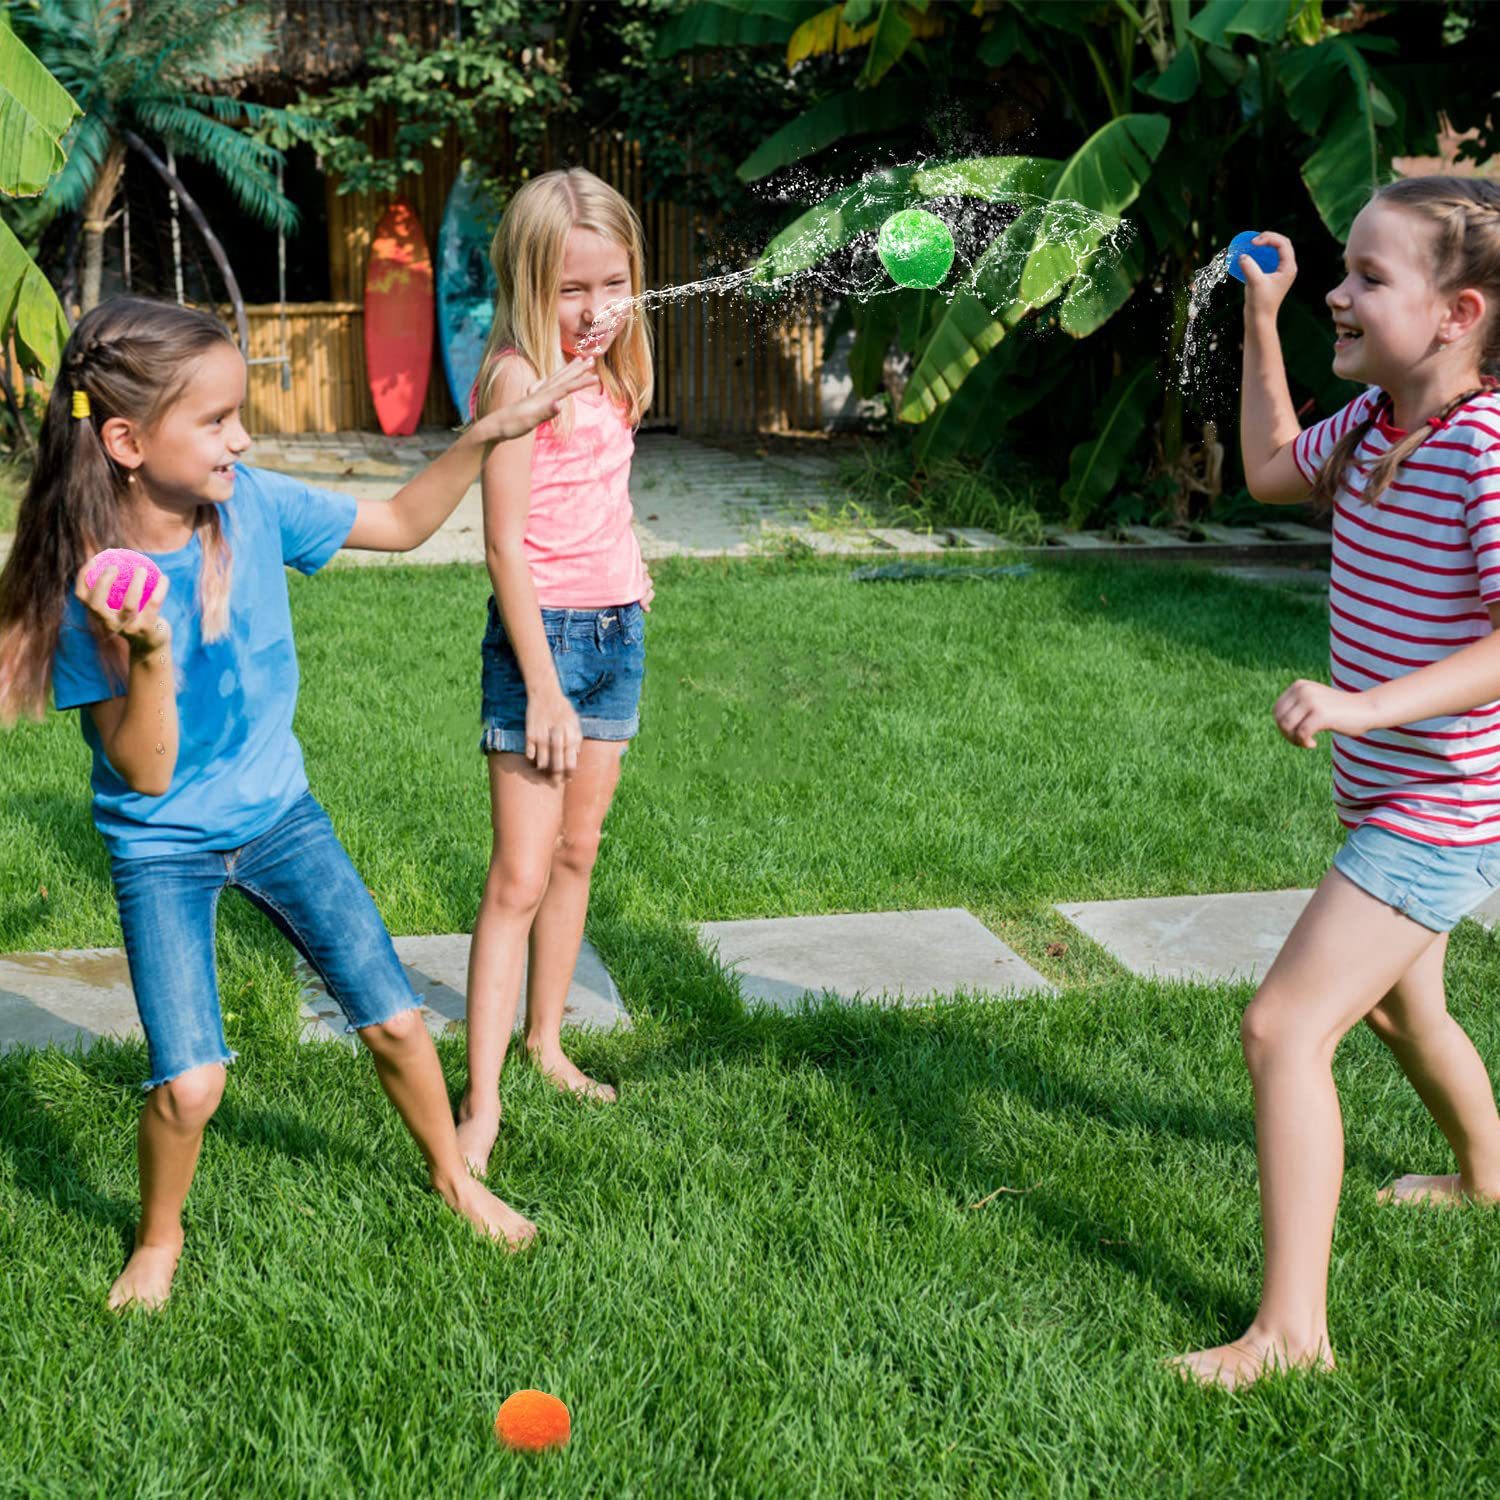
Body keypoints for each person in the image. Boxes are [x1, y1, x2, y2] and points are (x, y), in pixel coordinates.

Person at [0, 296, 598, 1308]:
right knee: (192, 1084)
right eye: (216, 421)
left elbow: (401, 524)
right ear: (127, 442)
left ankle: (454, 1178)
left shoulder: (253, 505)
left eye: (238, 414)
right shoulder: (92, 590)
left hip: (281, 817)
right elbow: (147, 774)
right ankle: (158, 1239)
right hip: (162, 848)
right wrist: (149, 652)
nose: (242, 439)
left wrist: (486, 434)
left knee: (397, 1023)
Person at [1173, 178, 1500, 1388]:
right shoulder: (1371, 425)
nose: (1340, 295)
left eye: (1369, 277)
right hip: (1391, 795)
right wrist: (1261, 321)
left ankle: (1290, 1336)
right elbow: (1268, 469)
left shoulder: (1484, 449)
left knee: (1284, 1027)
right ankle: (1488, 1177)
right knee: (1405, 1012)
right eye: (1340, 272)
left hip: (1440, 807)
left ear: (1458, 313)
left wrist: (1365, 704)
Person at [453, 167, 654, 1178]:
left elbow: (599, 497)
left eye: (612, 285)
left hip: (617, 635)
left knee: (578, 851)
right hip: (545, 647)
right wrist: (540, 684)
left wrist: (634, 577)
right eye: (572, 290)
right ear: (530, 284)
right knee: (521, 875)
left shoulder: (615, 372)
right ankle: (480, 1099)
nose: (595, 309)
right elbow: (503, 547)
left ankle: (545, 1043)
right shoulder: (516, 382)